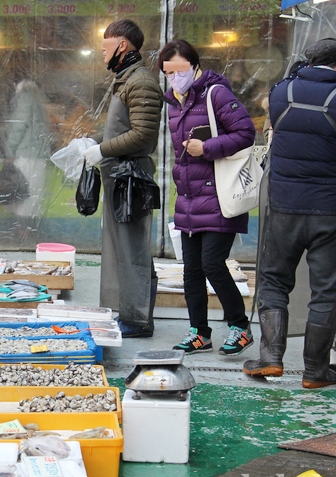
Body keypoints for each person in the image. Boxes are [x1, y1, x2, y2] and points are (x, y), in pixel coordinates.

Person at [243, 38, 336, 388]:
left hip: (283, 205)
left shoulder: (280, 92)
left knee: (273, 280)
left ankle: (270, 358)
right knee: (325, 290)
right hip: (330, 210)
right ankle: (315, 371)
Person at [158, 40, 256, 356]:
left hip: (219, 196)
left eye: (180, 70)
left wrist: (208, 147)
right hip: (188, 198)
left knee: (212, 264)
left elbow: (246, 133)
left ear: (195, 66)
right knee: (192, 270)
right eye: (168, 72)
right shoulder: (174, 103)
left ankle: (240, 327)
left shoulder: (216, 94)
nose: (175, 78)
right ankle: (199, 332)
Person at [81, 20, 162, 337]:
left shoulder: (140, 82)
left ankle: (138, 319)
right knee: (127, 249)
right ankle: (132, 313)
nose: (102, 53)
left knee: (133, 251)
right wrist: (93, 142)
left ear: (122, 45)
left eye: (105, 46)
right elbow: (122, 128)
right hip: (119, 175)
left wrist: (102, 149)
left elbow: (142, 135)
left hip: (132, 178)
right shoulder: (125, 79)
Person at [5, 80, 50, 218]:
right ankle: (30, 227)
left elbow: (18, 126)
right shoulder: (38, 100)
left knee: (23, 197)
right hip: (39, 155)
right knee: (34, 197)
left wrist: (9, 150)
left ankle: (22, 228)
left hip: (25, 155)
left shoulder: (25, 98)